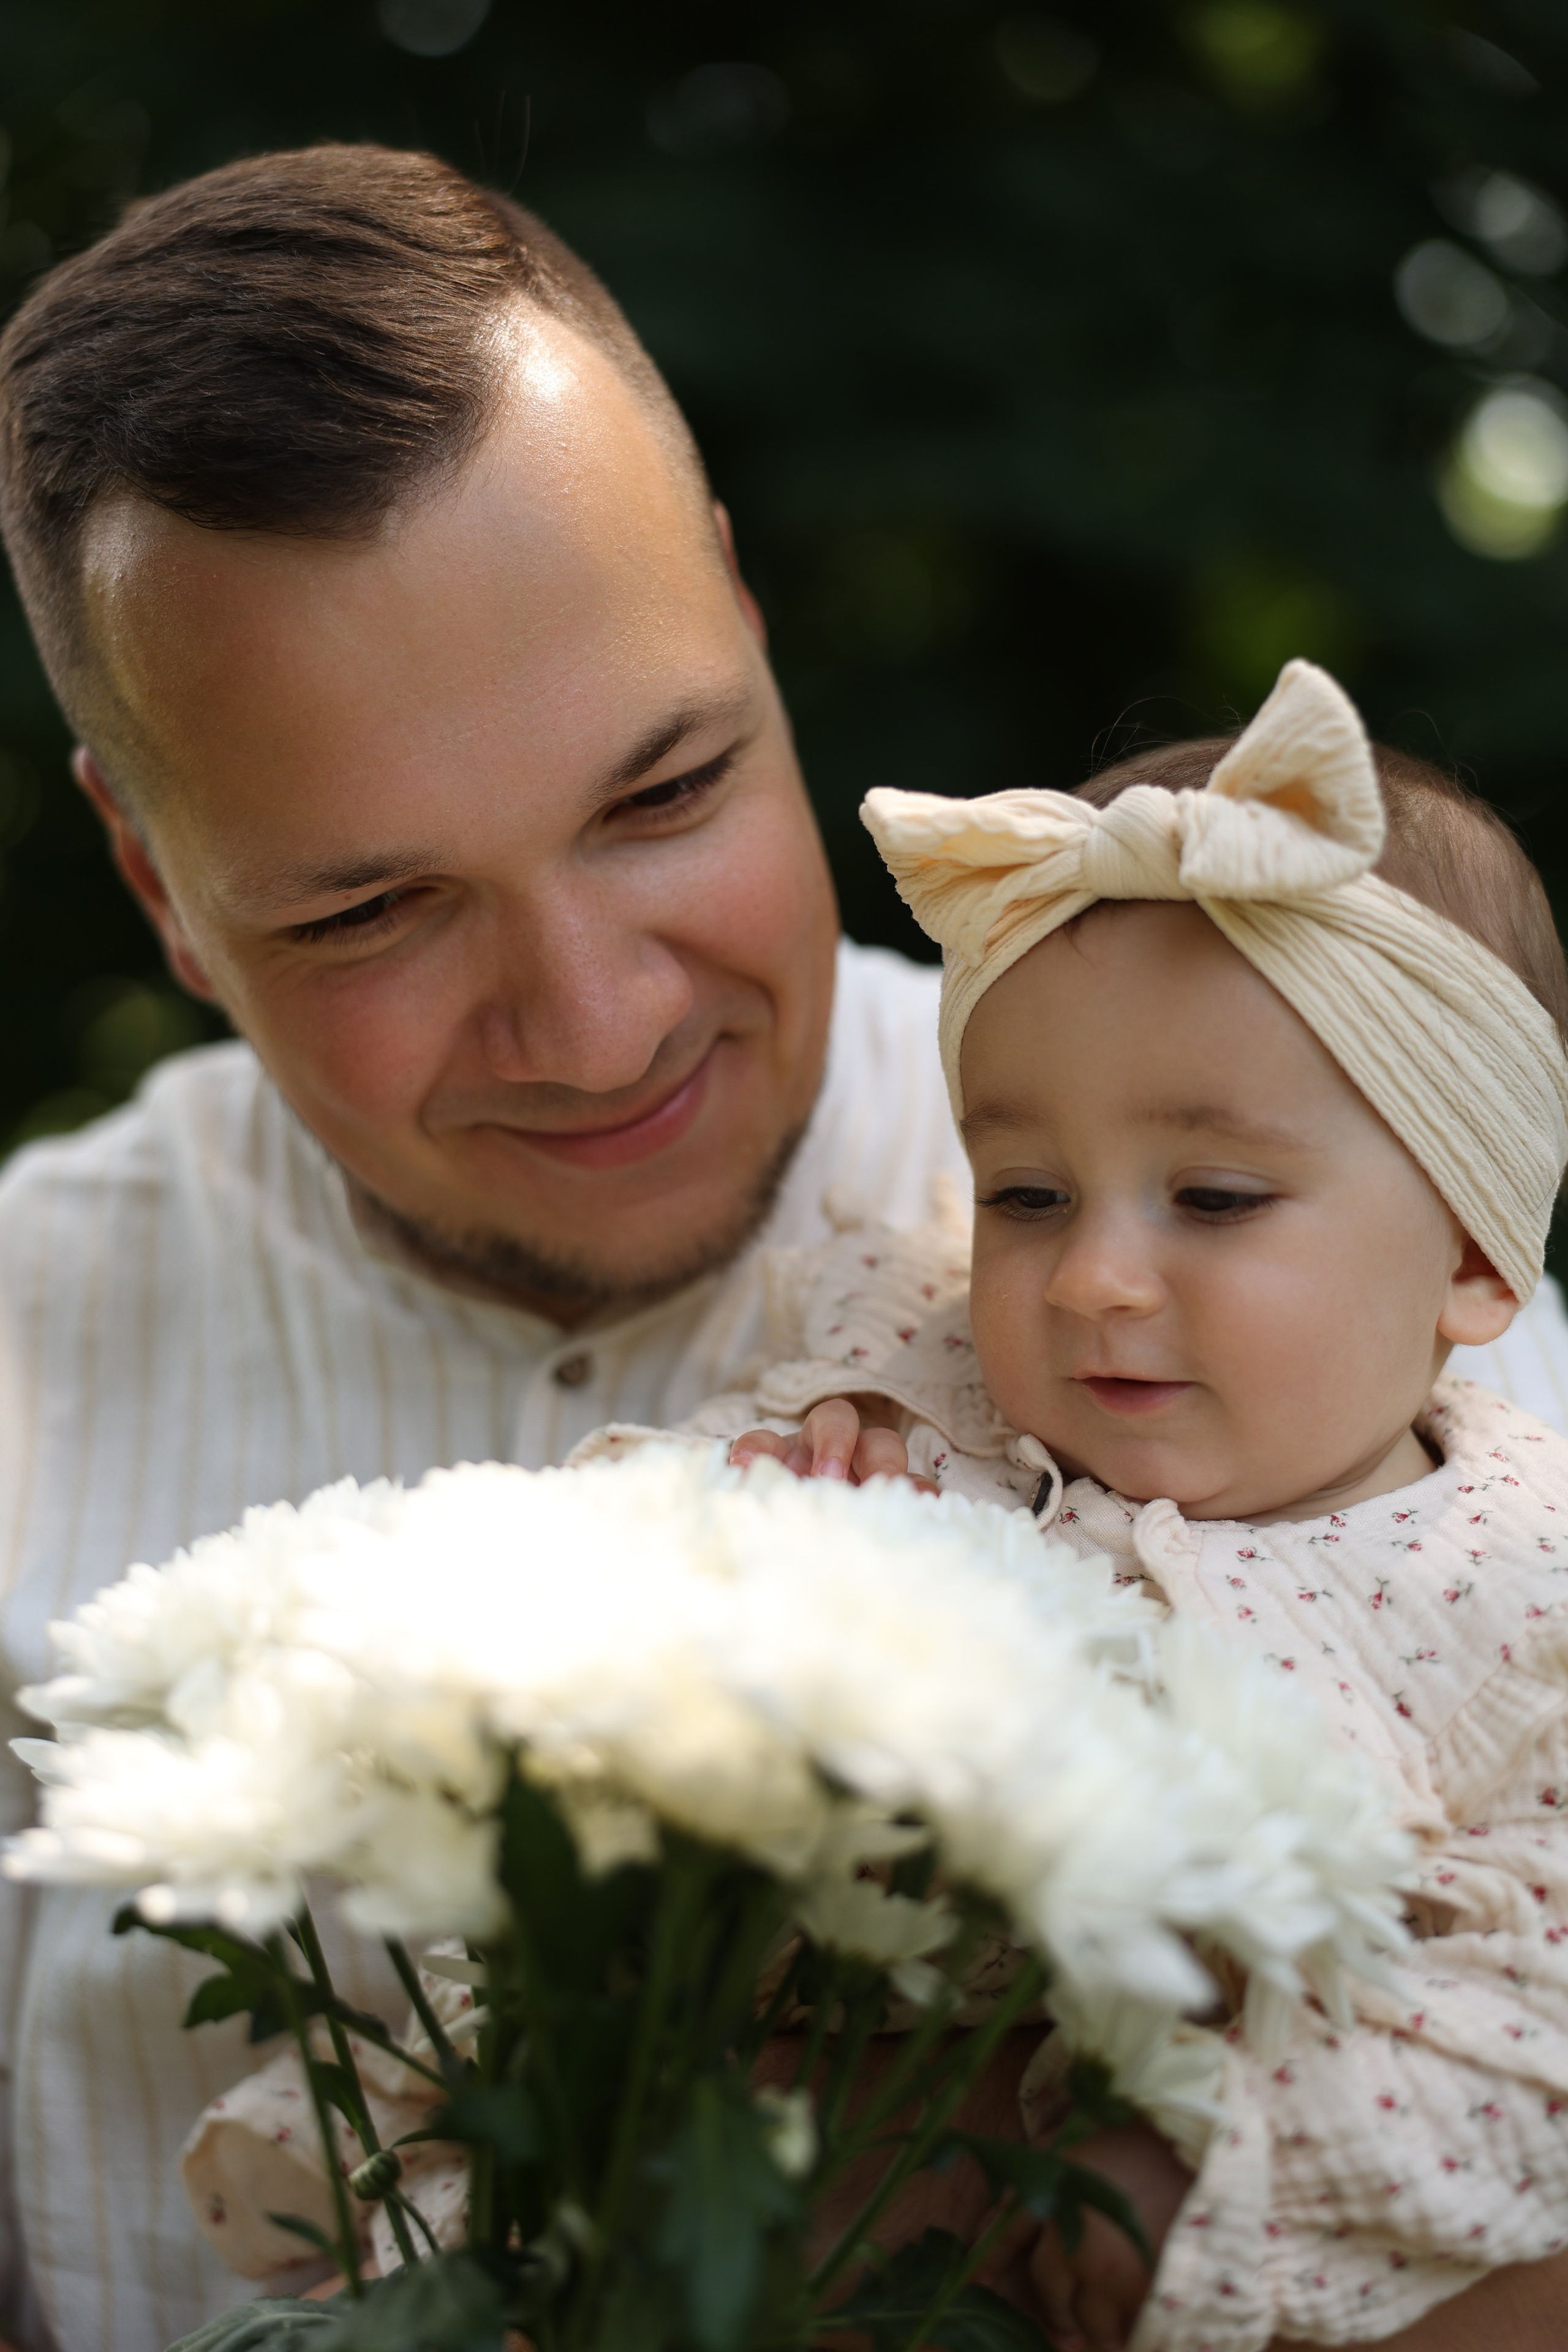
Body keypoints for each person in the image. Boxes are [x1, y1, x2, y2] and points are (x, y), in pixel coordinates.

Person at [0, 143, 1558, 2352]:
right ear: (157, 892)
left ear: (740, 609)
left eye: (663, 795)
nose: (600, 1019)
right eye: (369, 909)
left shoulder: (1362, 1252)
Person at [707, 662, 1568, 2348]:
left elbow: (1528, 2019)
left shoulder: (1517, 1596)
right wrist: (767, 1518)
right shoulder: (920, 1397)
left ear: (1471, 1253)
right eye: (1026, 1191)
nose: (1094, 1277)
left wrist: (1225, 2153)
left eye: (1216, 1197)